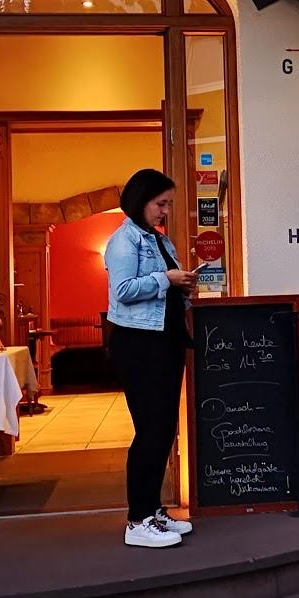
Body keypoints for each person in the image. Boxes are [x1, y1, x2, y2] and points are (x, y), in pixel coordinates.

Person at [104, 168, 196, 548]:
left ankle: (153, 509)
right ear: (140, 200)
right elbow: (123, 290)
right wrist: (167, 280)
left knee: (163, 430)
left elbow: (169, 284)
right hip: (140, 345)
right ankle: (137, 520)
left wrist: (184, 283)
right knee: (150, 431)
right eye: (161, 204)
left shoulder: (158, 240)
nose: (165, 211)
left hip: (165, 342)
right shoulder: (123, 240)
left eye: (168, 205)